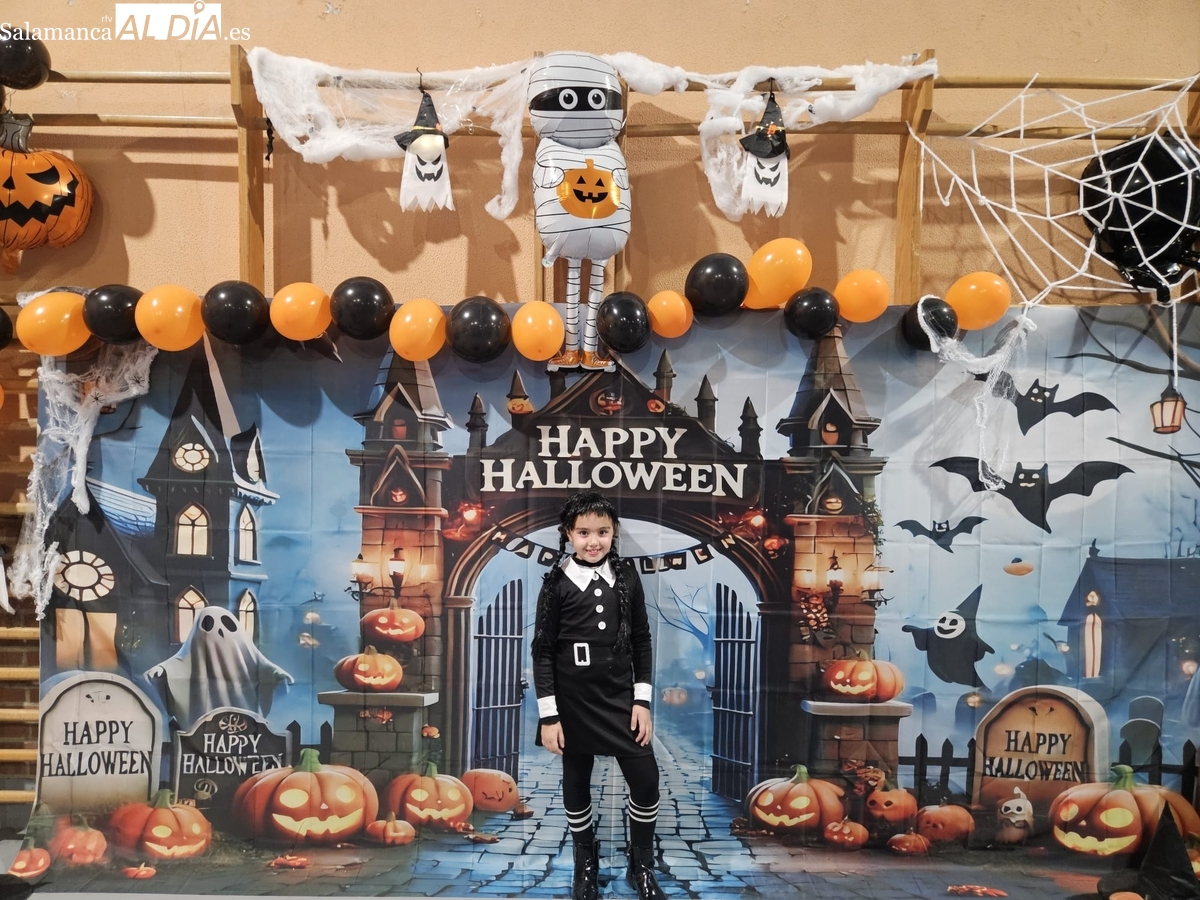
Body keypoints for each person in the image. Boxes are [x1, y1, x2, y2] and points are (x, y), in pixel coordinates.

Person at [532, 491, 665, 900]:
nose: (594, 541)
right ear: (568, 534)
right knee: (576, 780)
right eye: (584, 532)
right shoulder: (556, 583)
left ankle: (640, 865)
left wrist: (641, 701)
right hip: (572, 700)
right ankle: (585, 864)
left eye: (603, 532)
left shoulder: (627, 576)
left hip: (619, 697)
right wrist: (549, 717)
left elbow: (641, 640)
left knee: (646, 780)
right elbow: (543, 651)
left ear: (614, 533)